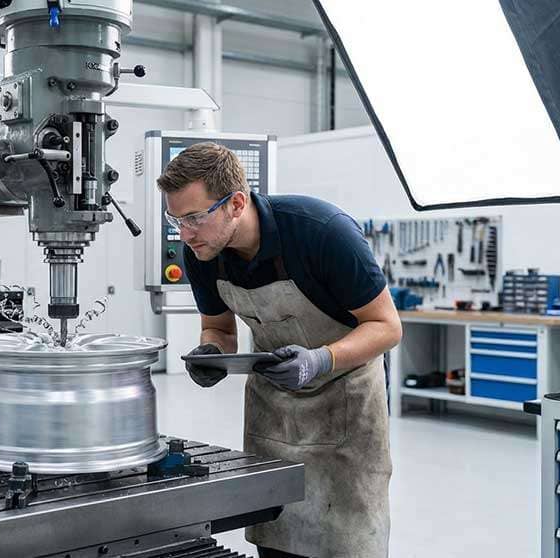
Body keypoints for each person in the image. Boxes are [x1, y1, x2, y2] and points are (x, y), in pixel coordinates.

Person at [157, 142, 401, 558]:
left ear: (236, 202)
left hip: (345, 409)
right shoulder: (202, 254)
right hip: (273, 415)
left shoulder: (321, 232)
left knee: (346, 541)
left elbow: (387, 326)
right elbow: (218, 327)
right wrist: (211, 353)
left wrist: (320, 360)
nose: (185, 233)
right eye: (175, 219)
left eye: (195, 217)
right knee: (277, 535)